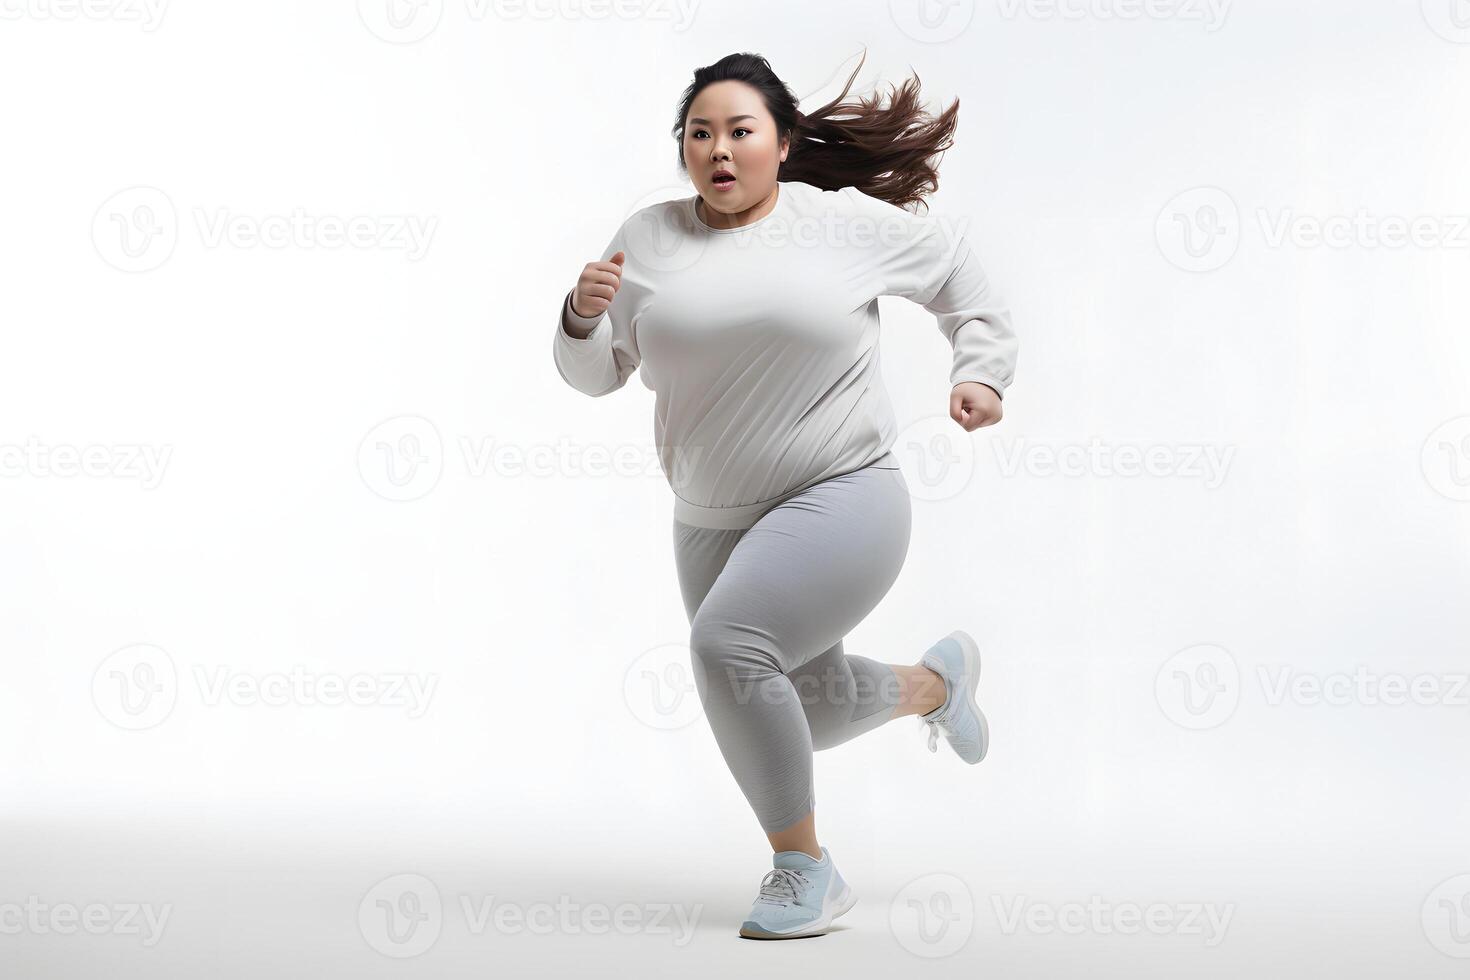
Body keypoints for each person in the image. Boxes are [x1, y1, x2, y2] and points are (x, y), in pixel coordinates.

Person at [551, 50, 1018, 940]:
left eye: (739, 131)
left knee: (727, 647)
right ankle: (935, 687)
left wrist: (983, 371)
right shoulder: (646, 238)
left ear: (781, 142)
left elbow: (958, 270)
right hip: (709, 518)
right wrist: (580, 316)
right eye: (700, 133)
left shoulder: (837, 225)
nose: (718, 150)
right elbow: (595, 374)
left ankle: (804, 867)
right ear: (683, 148)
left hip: (843, 493)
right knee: (798, 704)